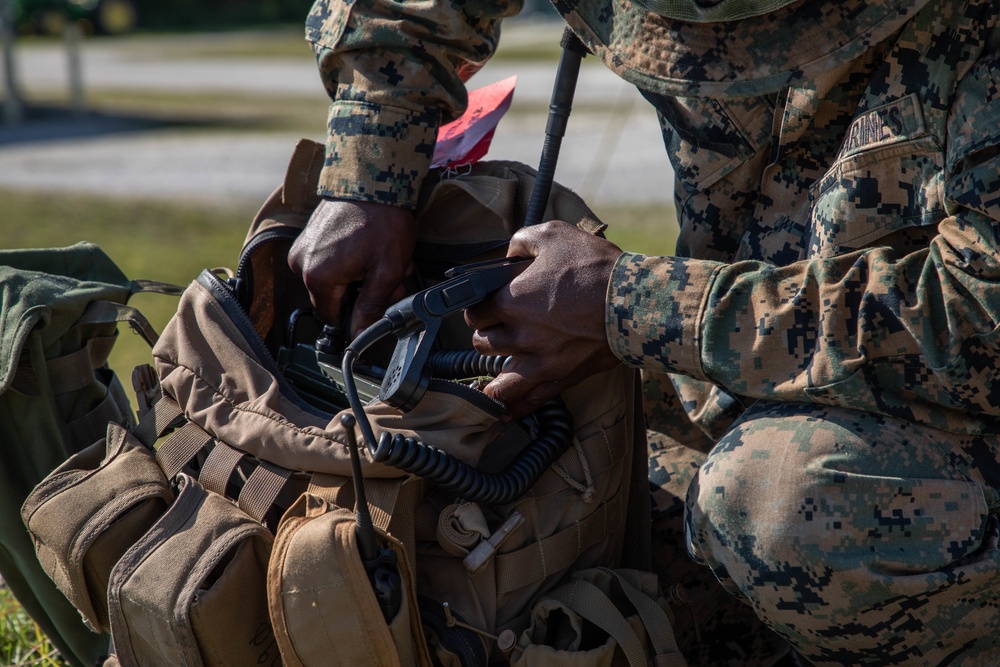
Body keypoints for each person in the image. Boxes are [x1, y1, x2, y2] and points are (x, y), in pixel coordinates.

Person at [289, 0, 1000, 663]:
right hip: (745, 388)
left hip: (949, 424)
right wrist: (368, 174)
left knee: (781, 506)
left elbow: (980, 320)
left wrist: (630, 305)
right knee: (567, 469)